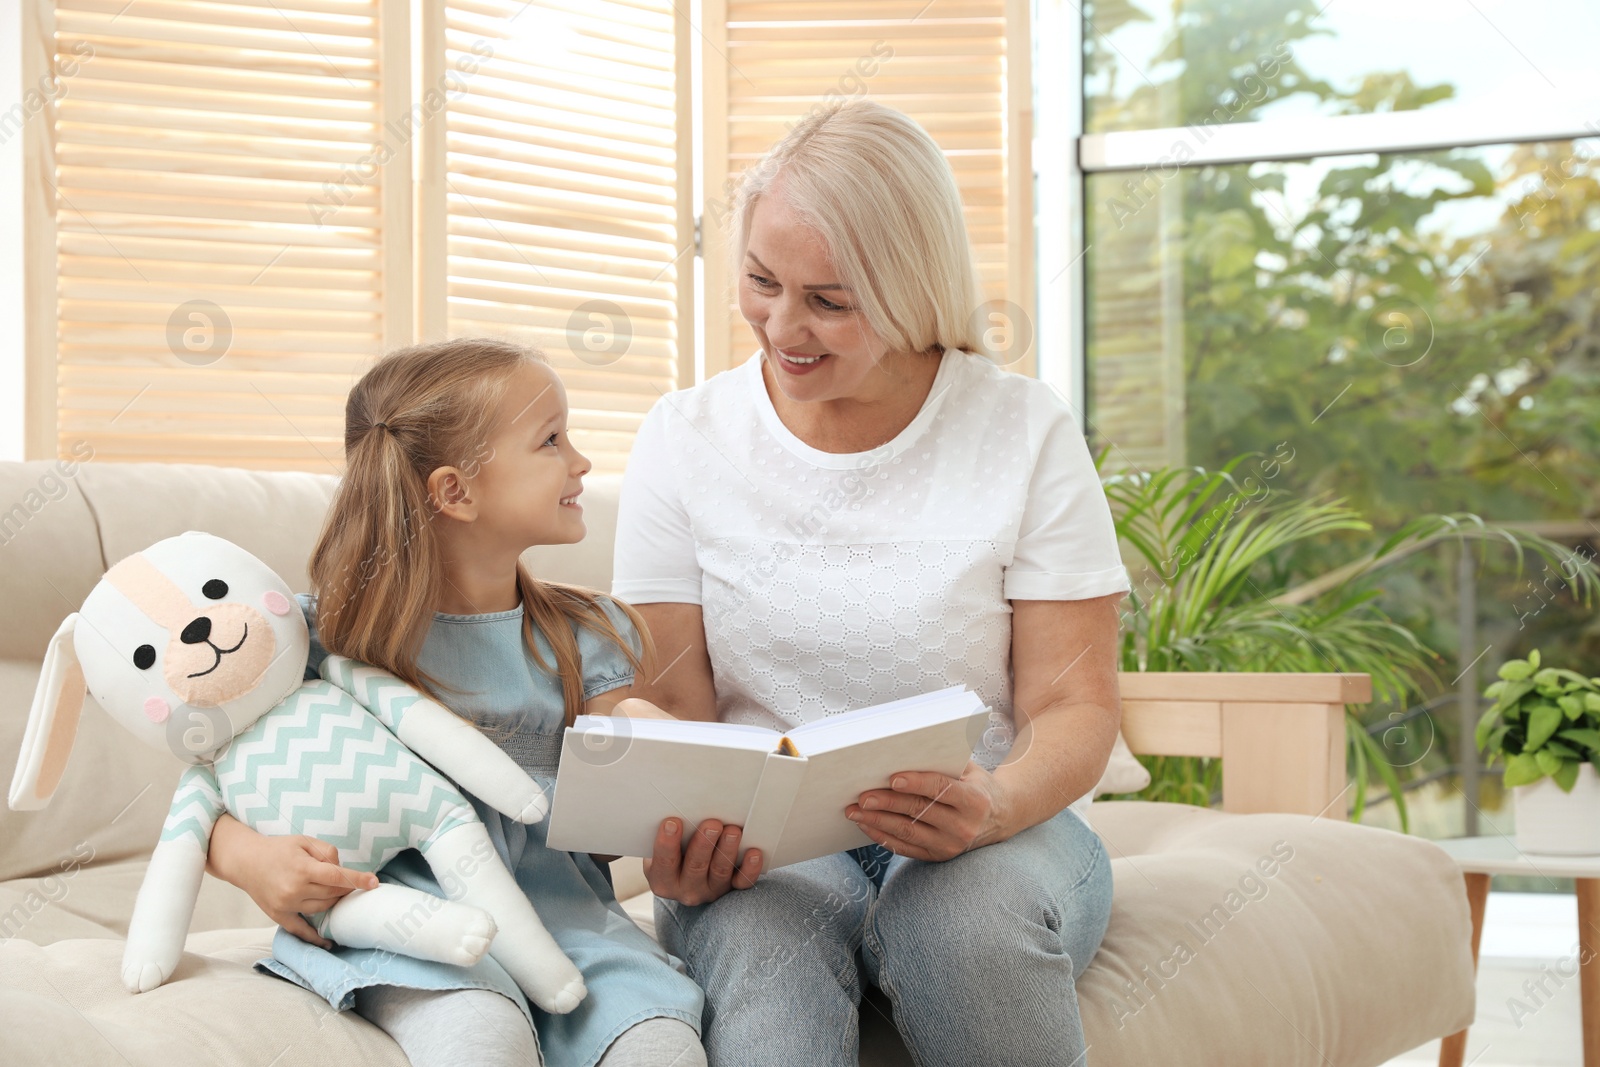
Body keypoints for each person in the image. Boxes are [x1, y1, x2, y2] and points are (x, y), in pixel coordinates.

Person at [609, 99, 1131, 1066]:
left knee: (960, 921)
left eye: (830, 300)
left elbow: (1074, 702)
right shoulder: (685, 439)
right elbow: (673, 702)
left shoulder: (1020, 429)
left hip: (997, 826)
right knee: (762, 940)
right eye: (761, 281)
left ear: (910, 288)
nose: (782, 325)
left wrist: (999, 803)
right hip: (774, 845)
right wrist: (674, 824)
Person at [203, 338, 707, 1067]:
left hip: (569, 925)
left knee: (662, 1049)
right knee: (483, 1039)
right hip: (410, 926)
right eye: (551, 440)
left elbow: (599, 839)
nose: (582, 462)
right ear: (455, 492)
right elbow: (207, 787)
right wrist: (250, 859)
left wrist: (662, 777)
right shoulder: (317, 637)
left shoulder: (590, 635)